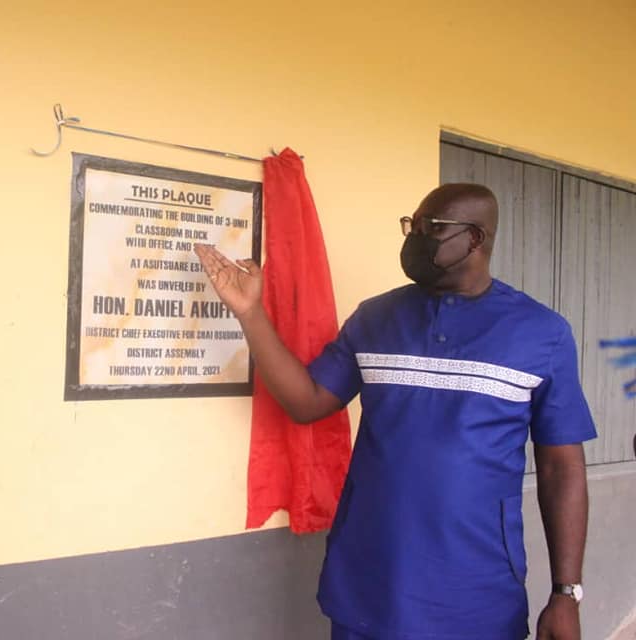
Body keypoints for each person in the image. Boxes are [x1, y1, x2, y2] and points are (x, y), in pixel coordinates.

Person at [194, 183, 595, 640]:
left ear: (476, 238)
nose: (417, 237)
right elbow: (306, 402)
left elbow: (562, 469)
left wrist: (566, 592)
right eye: (414, 225)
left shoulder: (542, 333)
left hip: (476, 596)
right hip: (368, 585)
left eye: (433, 228)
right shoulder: (376, 318)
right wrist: (251, 314)